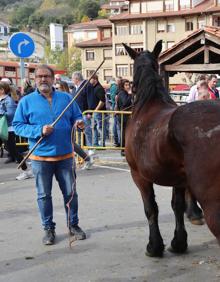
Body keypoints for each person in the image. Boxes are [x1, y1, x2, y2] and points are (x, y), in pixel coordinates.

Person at [13, 65, 86, 245]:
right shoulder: (26, 101)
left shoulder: (66, 98)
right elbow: (18, 125)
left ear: (53, 78)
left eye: (47, 76)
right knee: (44, 195)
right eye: (39, 76)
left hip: (65, 157)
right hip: (40, 158)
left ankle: (73, 225)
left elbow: (78, 116)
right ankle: (48, 229)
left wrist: (80, 123)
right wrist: (39, 130)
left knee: (70, 194)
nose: (43, 79)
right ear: (35, 79)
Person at [56, 80, 93, 170]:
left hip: (68, 124)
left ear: (62, 88)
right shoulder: (56, 98)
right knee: (68, 144)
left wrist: (77, 122)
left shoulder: (68, 98)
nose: (55, 90)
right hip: (60, 125)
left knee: (70, 144)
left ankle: (86, 159)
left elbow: (74, 112)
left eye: (57, 88)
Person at [0, 81, 33, 179]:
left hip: (8, 129)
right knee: (12, 151)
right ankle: (26, 170)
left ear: (2, 90)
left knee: (13, 151)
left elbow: (11, 114)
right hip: (2, 129)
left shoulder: (8, 100)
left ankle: (26, 171)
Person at [90, 74, 107, 147]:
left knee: (100, 128)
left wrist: (96, 110)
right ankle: (95, 143)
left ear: (95, 79)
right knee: (94, 128)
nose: (89, 80)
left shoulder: (99, 88)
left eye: (90, 79)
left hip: (99, 112)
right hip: (94, 112)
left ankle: (102, 144)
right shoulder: (93, 88)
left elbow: (102, 101)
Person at [117, 79, 132, 156]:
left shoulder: (124, 93)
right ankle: (123, 149)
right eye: (126, 85)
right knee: (124, 133)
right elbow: (125, 103)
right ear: (123, 86)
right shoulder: (122, 93)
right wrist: (129, 94)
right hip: (123, 116)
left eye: (128, 85)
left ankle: (125, 149)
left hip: (126, 116)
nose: (128, 86)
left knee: (125, 132)